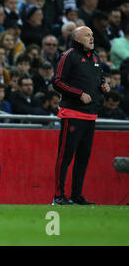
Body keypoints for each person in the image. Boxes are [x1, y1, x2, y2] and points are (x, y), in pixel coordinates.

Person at [53, 26, 111, 205]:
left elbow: (98, 78)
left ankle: (76, 195)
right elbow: (57, 82)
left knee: (83, 158)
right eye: (87, 35)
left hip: (90, 115)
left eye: (92, 35)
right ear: (77, 38)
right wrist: (78, 94)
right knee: (66, 156)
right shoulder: (68, 55)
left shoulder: (95, 57)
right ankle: (59, 196)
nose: (91, 38)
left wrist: (104, 85)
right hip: (72, 113)